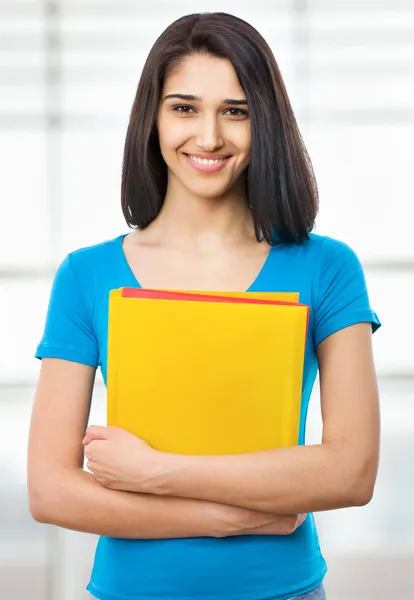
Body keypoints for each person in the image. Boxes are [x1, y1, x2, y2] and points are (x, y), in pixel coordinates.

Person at [27, 12, 382, 600]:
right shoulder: (86, 276)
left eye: (235, 111)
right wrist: (227, 518)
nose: (209, 137)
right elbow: (50, 489)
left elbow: (351, 471)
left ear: (263, 123)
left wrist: (153, 473)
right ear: (154, 118)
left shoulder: (326, 268)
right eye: (184, 108)